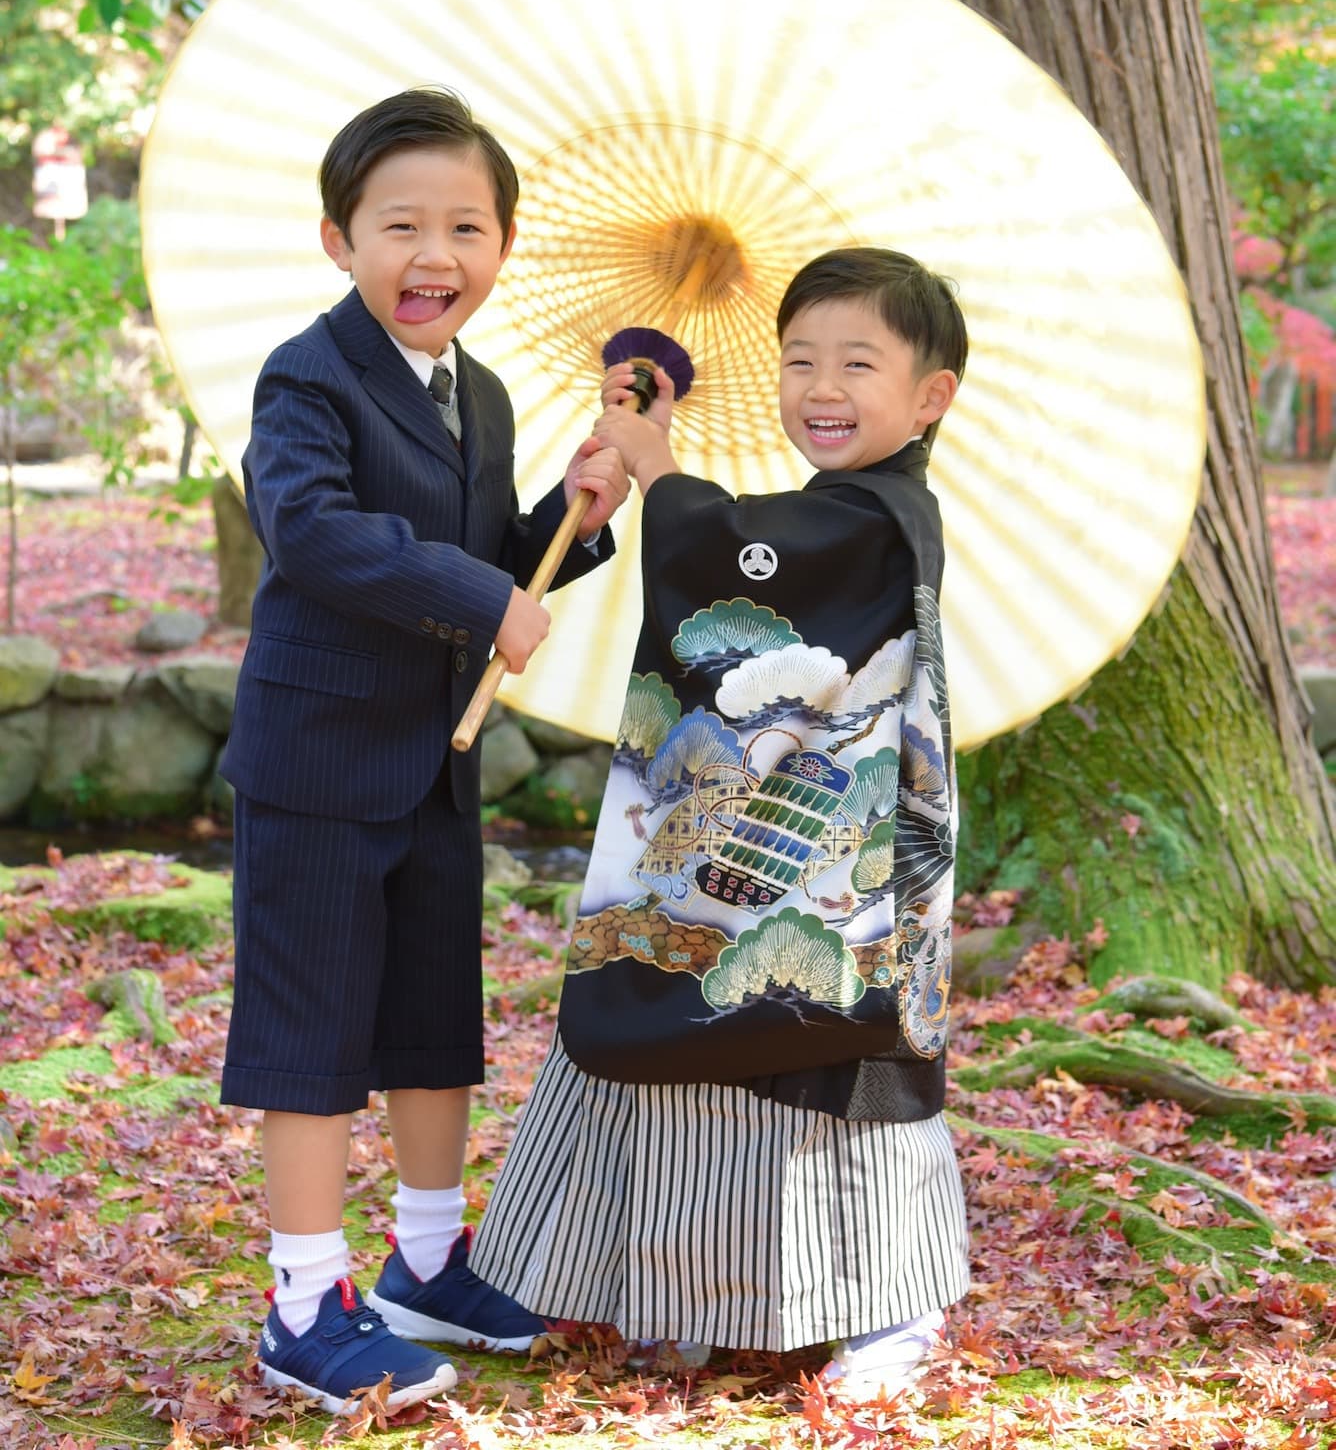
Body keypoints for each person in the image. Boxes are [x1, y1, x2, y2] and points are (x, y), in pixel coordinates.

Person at [471, 246, 971, 1401]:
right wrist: (646, 471)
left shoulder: (886, 515)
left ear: (929, 395)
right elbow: (761, 557)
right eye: (799, 360)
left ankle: (895, 1306)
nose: (821, 385)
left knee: (844, 1046)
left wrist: (662, 472)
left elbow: (760, 561)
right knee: (694, 1024)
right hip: (767, 834)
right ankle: (703, 1296)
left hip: (849, 853)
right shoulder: (835, 509)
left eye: (858, 361)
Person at [217, 86, 629, 1416]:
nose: (434, 256)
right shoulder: (307, 375)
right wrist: (478, 597)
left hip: (437, 765)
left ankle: (430, 1258)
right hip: (321, 761)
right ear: (341, 238)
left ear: (504, 246)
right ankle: (302, 1299)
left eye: (466, 226)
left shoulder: (484, 391)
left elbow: (492, 560)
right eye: (401, 225)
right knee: (314, 1025)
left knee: (431, 1022)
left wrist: (570, 523)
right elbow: (318, 537)